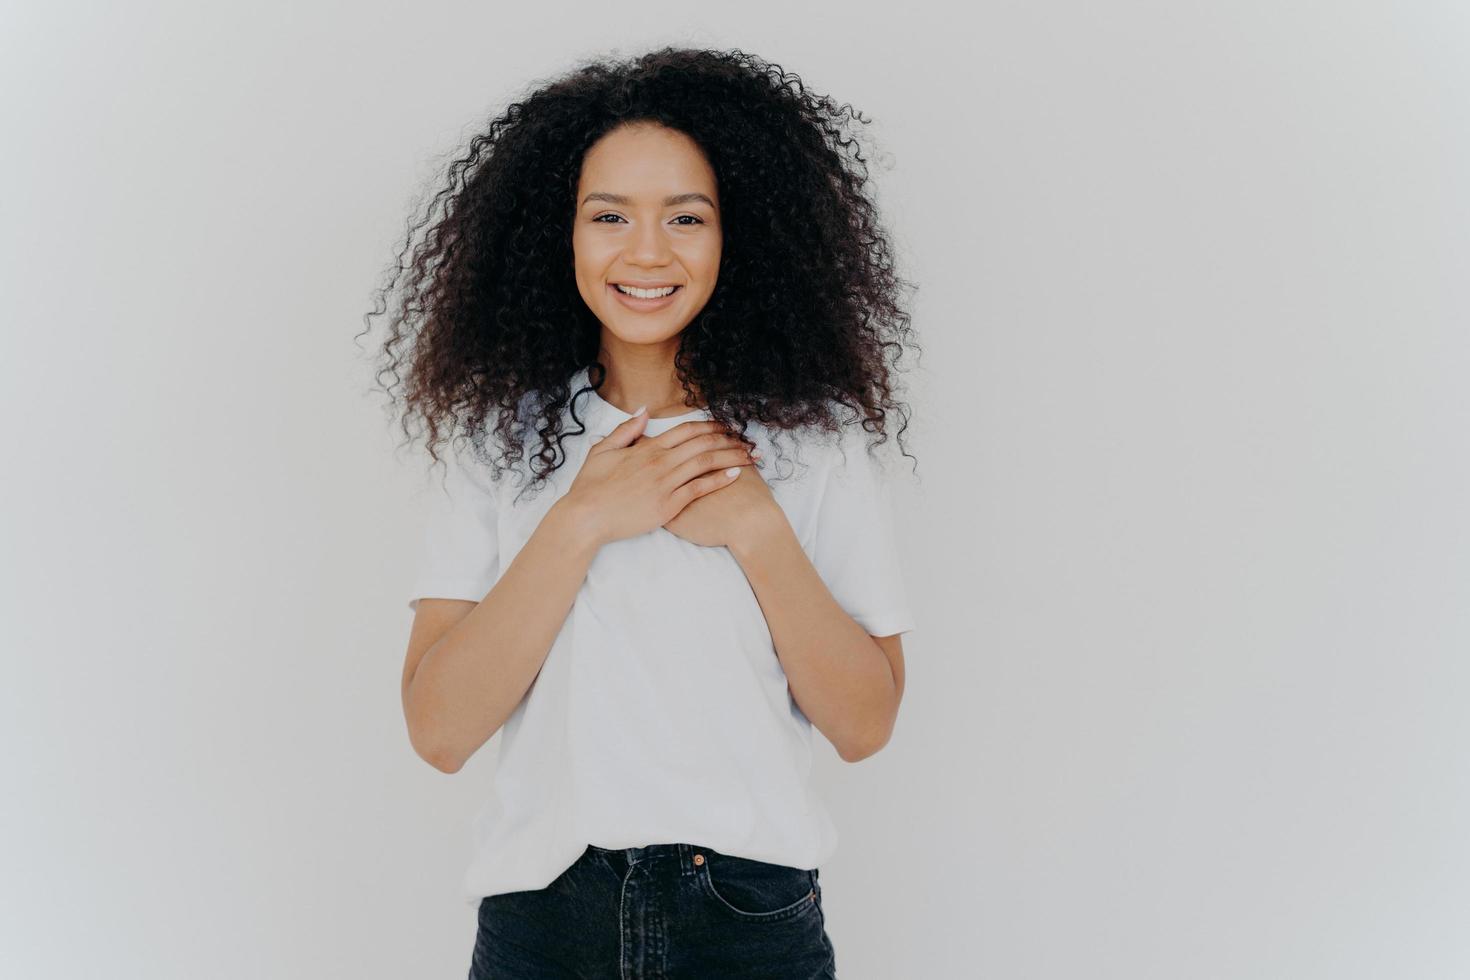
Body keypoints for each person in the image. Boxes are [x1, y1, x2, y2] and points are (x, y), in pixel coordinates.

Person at [366, 46, 921, 980]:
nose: (647, 252)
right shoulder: (501, 437)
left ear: (738, 236)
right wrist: (581, 520)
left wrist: (756, 531)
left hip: (751, 917)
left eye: (687, 218)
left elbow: (865, 725)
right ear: (563, 234)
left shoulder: (813, 441)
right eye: (609, 215)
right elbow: (439, 730)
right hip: (545, 917)